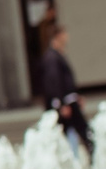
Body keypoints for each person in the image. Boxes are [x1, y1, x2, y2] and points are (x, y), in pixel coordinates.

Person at [36, 20, 91, 159]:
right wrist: (61, 104)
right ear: (58, 36)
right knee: (80, 132)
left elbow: (66, 82)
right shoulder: (52, 58)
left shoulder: (57, 55)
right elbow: (53, 83)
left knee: (75, 133)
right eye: (64, 34)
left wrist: (77, 96)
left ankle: (76, 160)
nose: (67, 37)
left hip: (68, 102)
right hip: (65, 104)